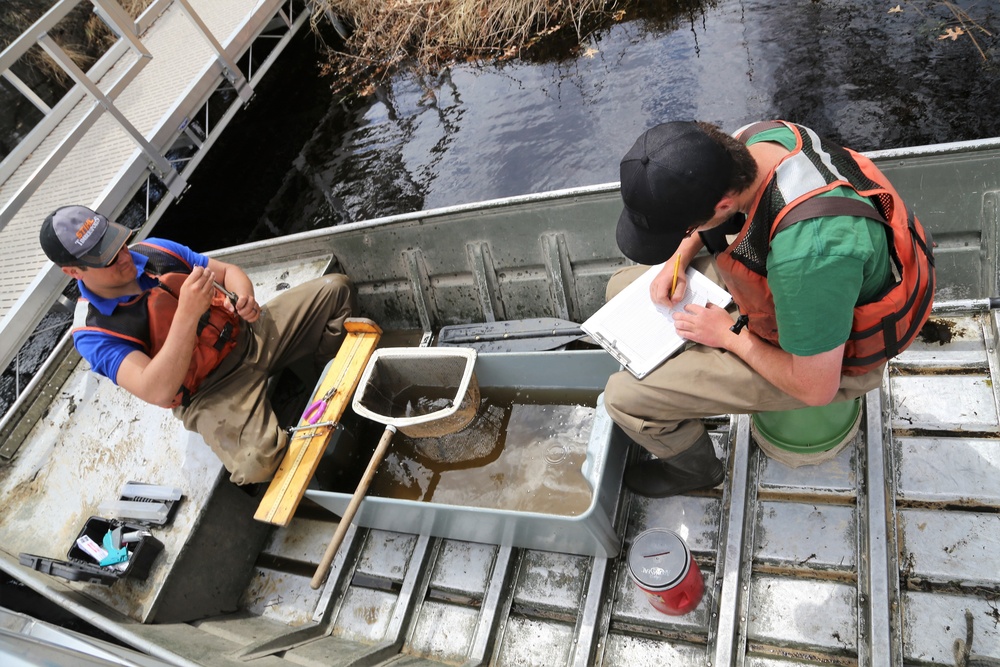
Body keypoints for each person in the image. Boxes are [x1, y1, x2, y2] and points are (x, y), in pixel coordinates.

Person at [605, 120, 935, 497]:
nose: (684, 236)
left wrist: (729, 337)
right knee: (619, 290)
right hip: (802, 286)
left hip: (834, 362)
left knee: (624, 399)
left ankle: (697, 473)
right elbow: (710, 216)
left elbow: (814, 390)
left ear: (724, 205)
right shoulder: (753, 141)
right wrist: (676, 262)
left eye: (682, 230)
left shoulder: (810, 255)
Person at [39, 205, 357, 486]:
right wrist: (188, 314)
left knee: (336, 291)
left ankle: (322, 379)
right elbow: (157, 389)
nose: (123, 256)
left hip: (250, 335)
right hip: (210, 391)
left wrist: (245, 298)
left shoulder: (155, 251)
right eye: (105, 258)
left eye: (117, 243)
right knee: (255, 463)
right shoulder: (92, 333)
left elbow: (227, 272)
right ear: (72, 271)